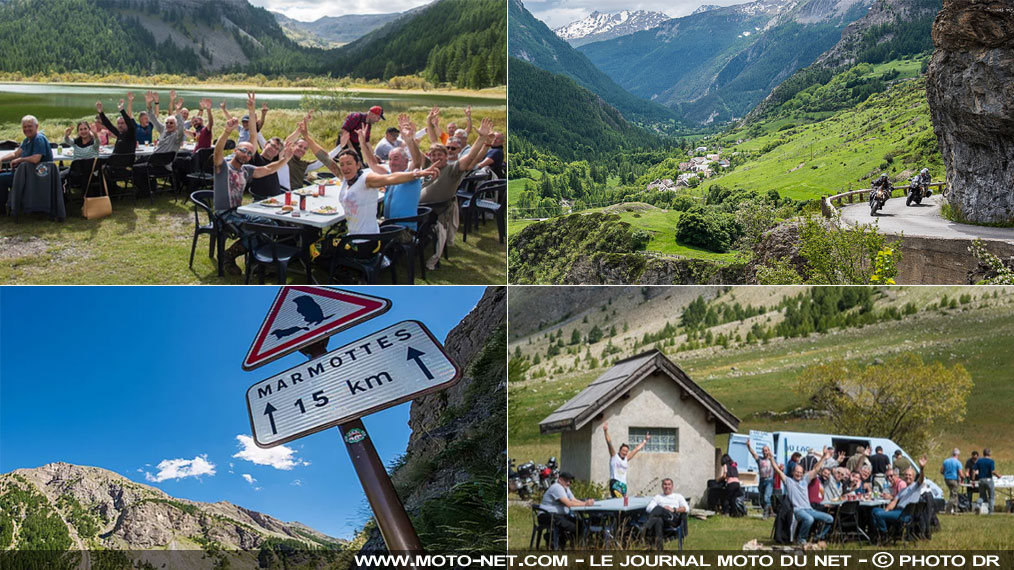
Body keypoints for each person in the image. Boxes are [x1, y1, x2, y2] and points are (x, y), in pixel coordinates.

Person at [298, 120, 439, 236]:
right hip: (355, 236)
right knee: (323, 245)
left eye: (349, 163)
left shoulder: (367, 179)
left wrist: (416, 174)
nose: (345, 167)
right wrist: (306, 136)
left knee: (319, 249)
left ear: (358, 165)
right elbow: (325, 158)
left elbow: (392, 178)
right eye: (342, 164)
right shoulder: (346, 178)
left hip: (366, 242)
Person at [212, 97, 295, 275]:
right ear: (235, 151)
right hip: (224, 214)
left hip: (239, 211)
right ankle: (230, 256)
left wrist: (286, 158)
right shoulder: (223, 167)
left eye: (249, 153)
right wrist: (226, 132)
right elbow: (217, 152)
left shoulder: (247, 169)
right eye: (243, 150)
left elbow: (268, 168)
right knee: (262, 230)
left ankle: (258, 260)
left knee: (270, 224)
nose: (246, 154)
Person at [419, 116, 495, 270]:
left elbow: (472, 158)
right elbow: (431, 146)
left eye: (453, 149)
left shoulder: (454, 168)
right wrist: (428, 124)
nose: (450, 150)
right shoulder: (431, 165)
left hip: (430, 210)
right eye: (449, 147)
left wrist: (482, 140)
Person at [765, 441, 834, 544]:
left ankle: (817, 537)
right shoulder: (789, 481)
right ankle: (801, 539)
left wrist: (823, 457)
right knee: (809, 519)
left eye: (800, 472)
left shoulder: (805, 480)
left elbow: (816, 469)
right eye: (796, 472)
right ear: (793, 472)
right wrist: (771, 459)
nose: (798, 474)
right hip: (798, 510)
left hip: (809, 509)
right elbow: (778, 471)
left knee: (830, 519)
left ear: (803, 473)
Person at [0, 115, 54, 211]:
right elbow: (15, 154)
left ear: (36, 126)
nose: (27, 129)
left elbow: (36, 159)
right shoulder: (26, 140)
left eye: (29, 126)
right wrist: (1, 159)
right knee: (3, 176)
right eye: (24, 127)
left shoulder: (39, 139)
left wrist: (20, 160)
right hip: (25, 174)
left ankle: (3, 208)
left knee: (1, 179)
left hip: (36, 176)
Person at [871, 456, 928, 542]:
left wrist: (922, 468)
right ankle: (877, 533)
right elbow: (894, 501)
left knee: (879, 514)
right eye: (906, 475)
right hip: (897, 511)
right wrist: (886, 510)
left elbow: (921, 478)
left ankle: (885, 534)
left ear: (913, 477)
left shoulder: (916, 486)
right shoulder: (903, 490)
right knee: (874, 510)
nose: (907, 477)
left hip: (905, 514)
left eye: (910, 475)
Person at [538, 471, 594, 549]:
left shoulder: (566, 488)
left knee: (580, 524)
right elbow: (568, 504)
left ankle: (575, 544)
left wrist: (585, 502)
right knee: (573, 526)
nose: (568, 483)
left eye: (570, 481)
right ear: (560, 480)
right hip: (547, 515)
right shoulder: (557, 487)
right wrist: (585, 504)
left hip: (558, 515)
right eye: (566, 480)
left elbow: (573, 500)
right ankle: (558, 541)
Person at [602, 421, 648, 498]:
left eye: (626, 451)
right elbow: (609, 443)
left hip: (623, 484)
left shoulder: (626, 459)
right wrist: (606, 431)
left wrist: (645, 441)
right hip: (615, 482)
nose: (625, 452)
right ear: (620, 450)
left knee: (623, 502)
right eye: (623, 450)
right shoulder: (614, 456)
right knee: (618, 500)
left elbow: (636, 450)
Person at [641, 478, 688, 551]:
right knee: (658, 520)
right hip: (662, 521)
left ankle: (646, 527)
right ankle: (659, 550)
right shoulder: (658, 497)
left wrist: (674, 509)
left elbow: (686, 508)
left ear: (672, 486)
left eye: (669, 484)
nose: (667, 486)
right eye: (665, 484)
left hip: (673, 519)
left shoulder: (678, 496)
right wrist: (663, 509)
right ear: (662, 486)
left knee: (659, 509)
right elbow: (649, 508)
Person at [746, 441, 775, 518]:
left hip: (769, 480)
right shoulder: (760, 459)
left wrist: (781, 468)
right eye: (763, 451)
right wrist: (748, 446)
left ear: (769, 451)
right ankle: (771, 512)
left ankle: (765, 514)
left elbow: (777, 467)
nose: (765, 452)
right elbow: (753, 454)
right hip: (762, 481)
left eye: (766, 450)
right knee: (763, 499)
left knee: (766, 497)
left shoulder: (772, 460)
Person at [974, 448, 1000, 513]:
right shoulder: (991, 461)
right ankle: (990, 511)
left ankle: (978, 505)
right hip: (988, 480)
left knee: (982, 495)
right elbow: (992, 471)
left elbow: (974, 470)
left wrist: (973, 479)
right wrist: (998, 475)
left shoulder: (979, 461)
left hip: (981, 480)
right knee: (991, 496)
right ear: (989, 454)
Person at [941, 448, 964, 514]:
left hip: (947, 479)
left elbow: (941, 471)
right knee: (953, 495)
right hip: (954, 480)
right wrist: (963, 478)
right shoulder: (958, 462)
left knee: (954, 493)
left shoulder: (946, 461)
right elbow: (960, 473)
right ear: (958, 455)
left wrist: (946, 474)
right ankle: (948, 510)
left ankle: (955, 509)